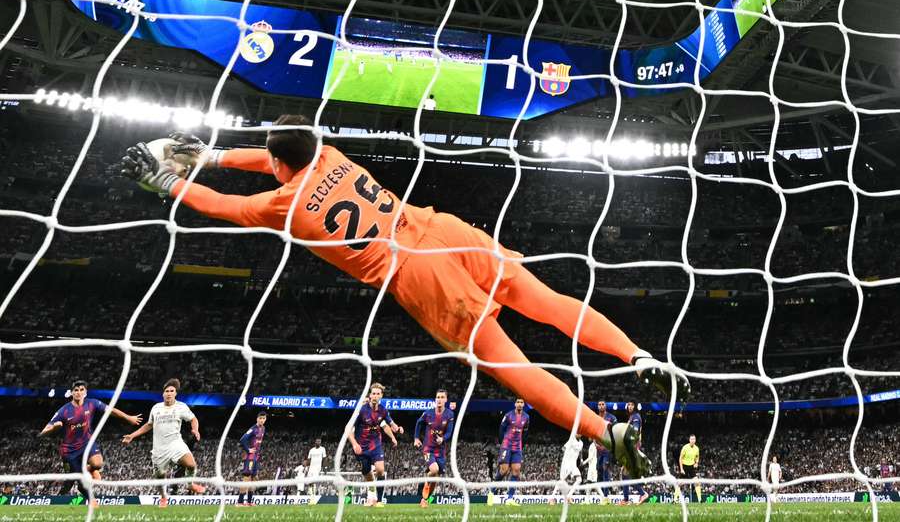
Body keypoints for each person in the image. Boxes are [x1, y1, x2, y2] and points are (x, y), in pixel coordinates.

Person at [120, 116, 690, 479]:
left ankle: (601, 430)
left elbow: (223, 205)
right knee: (545, 298)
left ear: (277, 166)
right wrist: (214, 154)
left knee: (510, 365)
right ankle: (638, 355)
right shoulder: (332, 156)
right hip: (443, 228)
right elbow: (273, 155)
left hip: (416, 273)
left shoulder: (282, 204)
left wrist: (170, 181)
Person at [39, 379, 142, 505]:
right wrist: (53, 429)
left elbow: (110, 410)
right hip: (69, 451)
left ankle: (85, 472)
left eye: (81, 390)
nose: (78, 392)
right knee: (73, 480)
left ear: (85, 392)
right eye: (76, 390)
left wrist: (128, 417)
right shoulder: (64, 410)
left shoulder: (92, 404)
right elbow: (44, 431)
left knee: (97, 464)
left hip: (87, 443)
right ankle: (85, 498)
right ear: (72, 393)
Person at [121, 379, 205, 507]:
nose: (169, 393)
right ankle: (163, 497)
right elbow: (149, 425)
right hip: (159, 448)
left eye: (172, 391)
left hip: (176, 443)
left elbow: (193, 419)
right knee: (160, 476)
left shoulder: (181, 407)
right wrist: (132, 435)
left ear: (175, 393)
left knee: (191, 464)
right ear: (163, 394)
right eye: (167, 391)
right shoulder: (156, 408)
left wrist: (195, 429)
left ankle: (190, 484)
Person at [345, 383, 403, 507]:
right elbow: (348, 428)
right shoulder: (361, 410)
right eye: (373, 393)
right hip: (361, 446)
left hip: (376, 444)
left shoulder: (383, 410)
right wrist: (354, 443)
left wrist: (397, 430)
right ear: (370, 395)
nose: (375, 396)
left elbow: (390, 424)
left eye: (378, 393)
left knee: (381, 470)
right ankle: (371, 496)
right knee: (366, 471)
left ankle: (379, 501)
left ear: (381, 395)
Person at [413, 388, 455, 508]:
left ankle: (424, 500)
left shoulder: (449, 415)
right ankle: (425, 488)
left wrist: (443, 439)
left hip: (440, 451)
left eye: (442, 397)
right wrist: (416, 438)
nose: (439, 400)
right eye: (438, 397)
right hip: (428, 449)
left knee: (435, 478)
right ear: (435, 399)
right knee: (434, 470)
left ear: (446, 399)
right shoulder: (428, 413)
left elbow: (449, 432)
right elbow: (418, 423)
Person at [488, 398, 528, 506]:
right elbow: (501, 429)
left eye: (521, 402)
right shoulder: (508, 415)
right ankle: (491, 493)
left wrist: (520, 443)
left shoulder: (526, 417)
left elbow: (525, 432)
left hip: (517, 447)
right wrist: (502, 443)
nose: (519, 404)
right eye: (518, 402)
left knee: (516, 470)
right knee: (504, 470)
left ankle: (510, 498)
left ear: (524, 404)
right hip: (506, 445)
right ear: (515, 404)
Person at [620, 401, 648, 506]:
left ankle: (642, 493)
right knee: (625, 473)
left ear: (635, 406)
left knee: (626, 473)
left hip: (632, 447)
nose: (630, 406)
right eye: (629, 405)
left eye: (632, 405)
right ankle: (627, 499)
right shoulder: (631, 417)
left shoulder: (636, 417)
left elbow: (635, 432)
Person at [237, 411, 267, 506]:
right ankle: (240, 502)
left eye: (264, 418)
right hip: (250, 457)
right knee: (246, 478)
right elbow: (242, 440)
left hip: (256, 457)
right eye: (260, 418)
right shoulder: (253, 429)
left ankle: (249, 501)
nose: (262, 420)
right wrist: (248, 449)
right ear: (257, 419)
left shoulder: (263, 429)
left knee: (253, 479)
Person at [595, 401, 617, 503]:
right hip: (598, 449)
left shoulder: (611, 418)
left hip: (607, 449)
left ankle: (606, 497)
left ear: (606, 406)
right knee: (599, 470)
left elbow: (616, 430)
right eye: (599, 404)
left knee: (605, 471)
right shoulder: (594, 417)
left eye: (603, 404)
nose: (601, 406)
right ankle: (602, 495)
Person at [677, 434, 700, 503]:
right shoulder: (685, 447)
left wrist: (696, 463)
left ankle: (700, 500)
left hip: (691, 467)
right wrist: (681, 469)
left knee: (697, 482)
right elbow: (680, 458)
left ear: (695, 440)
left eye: (694, 439)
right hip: (684, 466)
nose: (693, 440)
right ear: (689, 440)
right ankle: (675, 500)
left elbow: (697, 457)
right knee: (680, 484)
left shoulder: (697, 448)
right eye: (691, 439)